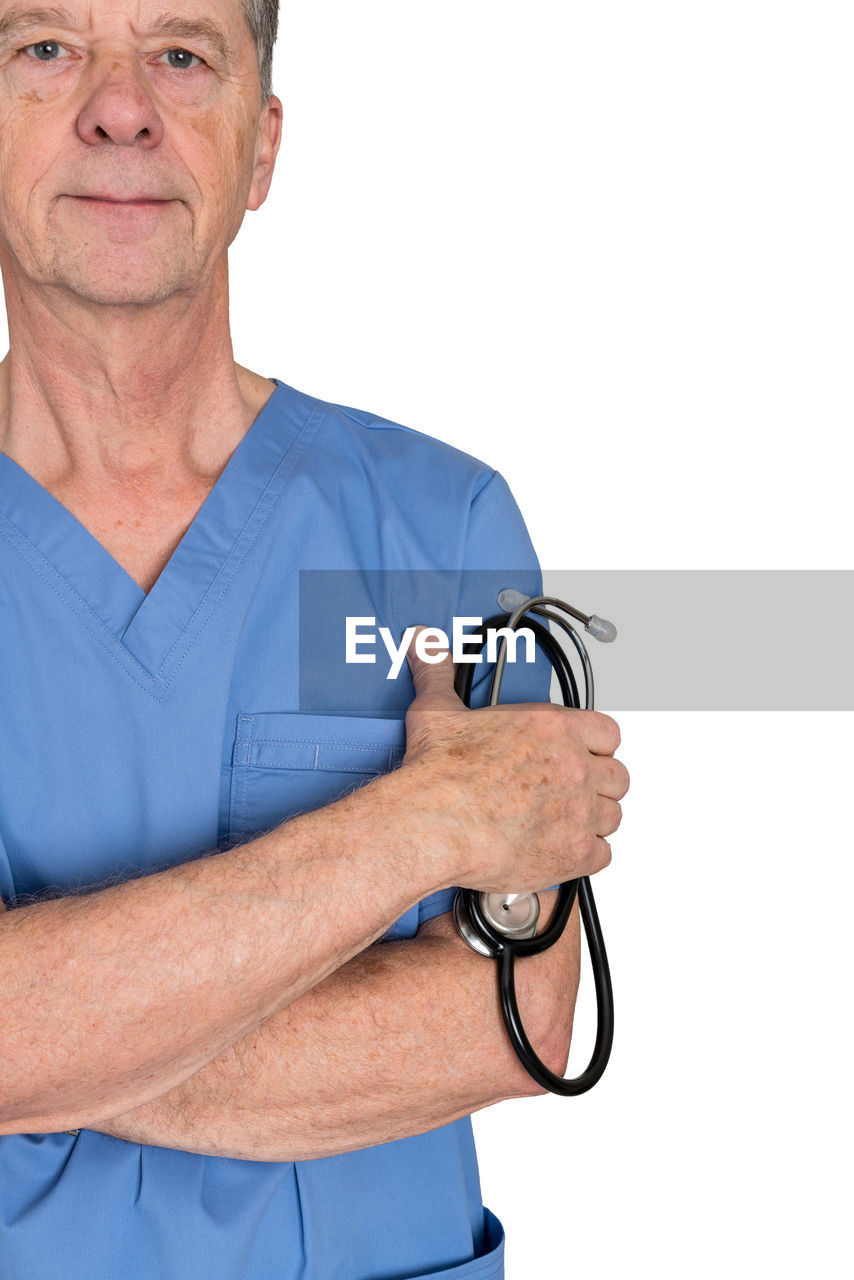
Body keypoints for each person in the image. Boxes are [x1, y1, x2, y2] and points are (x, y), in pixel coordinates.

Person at [0, 3, 629, 1277]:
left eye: (182, 55)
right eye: (43, 47)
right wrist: (420, 823)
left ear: (263, 147)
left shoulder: (436, 523)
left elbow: (516, 1020)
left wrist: (49, 1044)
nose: (120, 108)